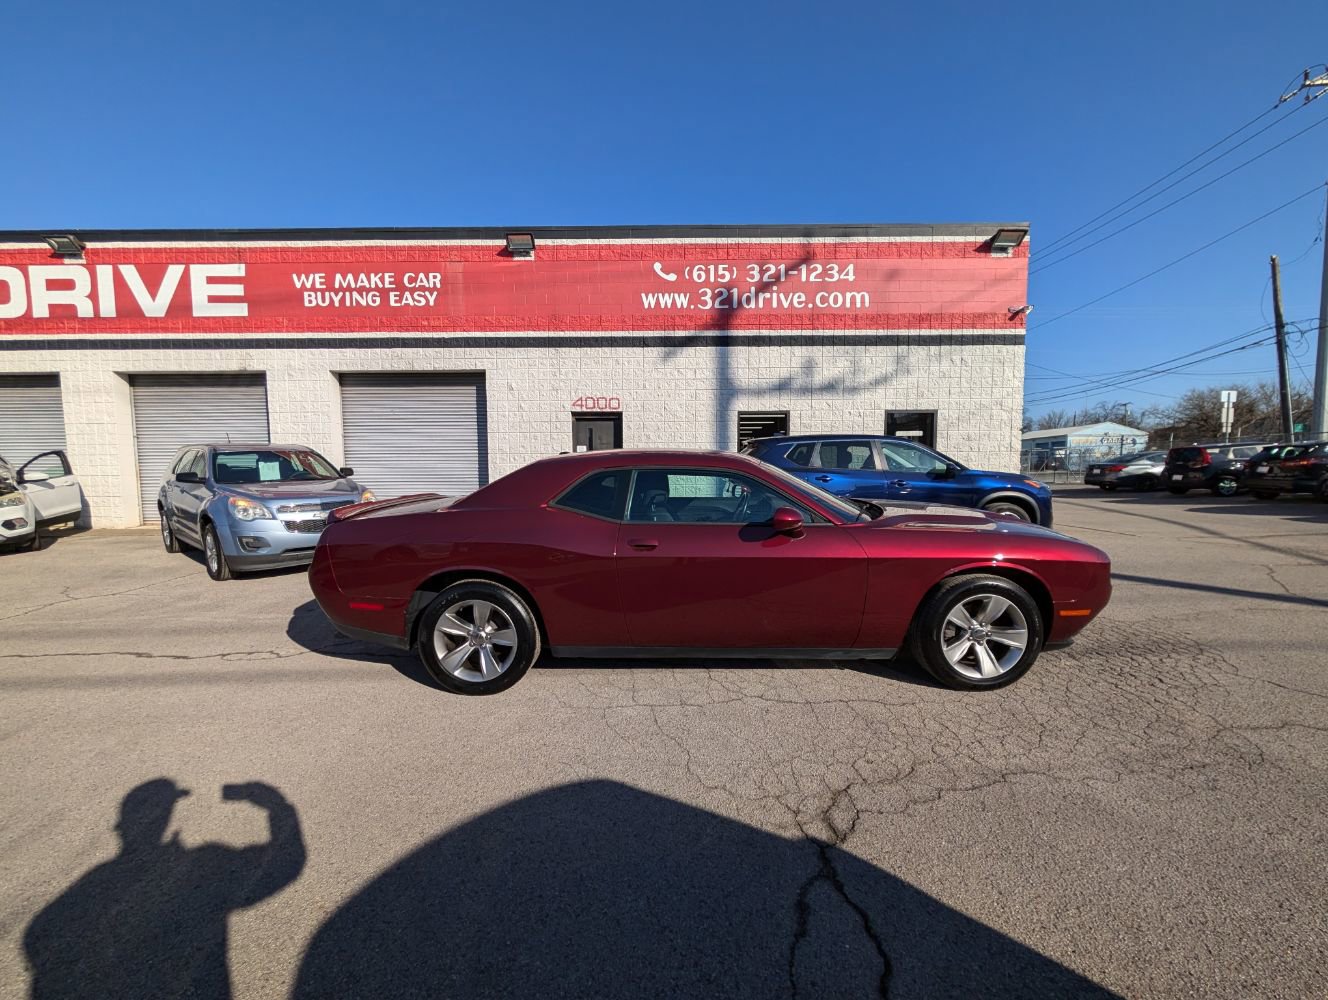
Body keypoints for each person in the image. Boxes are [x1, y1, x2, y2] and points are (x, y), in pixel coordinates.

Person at [24, 779, 304, 1000]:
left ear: (121, 825)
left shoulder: (95, 881)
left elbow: (37, 941)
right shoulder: (203, 867)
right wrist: (277, 806)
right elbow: (285, 864)